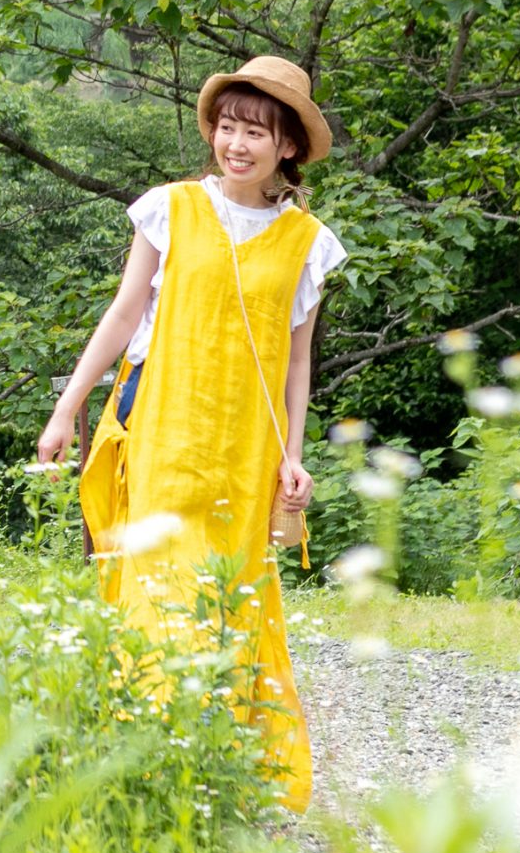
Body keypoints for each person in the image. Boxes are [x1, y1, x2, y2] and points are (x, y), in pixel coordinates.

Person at [34, 55, 345, 812]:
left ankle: (217, 777)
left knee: (227, 600)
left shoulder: (309, 244)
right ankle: (139, 771)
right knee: (154, 590)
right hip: (166, 433)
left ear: (288, 149)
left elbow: (297, 362)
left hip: (244, 454)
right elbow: (122, 313)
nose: (236, 145)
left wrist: (293, 456)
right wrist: (67, 407)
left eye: (255, 134)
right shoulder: (169, 208)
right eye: (228, 128)